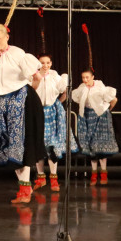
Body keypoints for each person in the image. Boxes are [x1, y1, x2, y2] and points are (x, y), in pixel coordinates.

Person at [0, 23, 44, 204]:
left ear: (7, 36)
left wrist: (30, 96)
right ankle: (24, 187)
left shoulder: (18, 53)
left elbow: (36, 77)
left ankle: (25, 189)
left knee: (20, 144)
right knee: (5, 143)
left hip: (20, 100)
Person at [72, 69, 119, 184]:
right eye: (83, 77)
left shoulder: (100, 87)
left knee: (100, 145)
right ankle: (93, 174)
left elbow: (113, 99)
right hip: (87, 117)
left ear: (92, 77)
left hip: (100, 116)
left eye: (87, 77)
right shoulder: (81, 88)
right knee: (91, 146)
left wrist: (107, 109)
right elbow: (78, 100)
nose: (85, 80)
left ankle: (103, 174)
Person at [33, 54, 70, 192]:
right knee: (39, 145)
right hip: (38, 113)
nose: (45, 65)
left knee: (52, 146)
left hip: (52, 113)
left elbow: (65, 92)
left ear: (51, 63)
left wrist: (57, 104)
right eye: (42, 62)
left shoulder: (55, 76)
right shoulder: (34, 76)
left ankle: (53, 179)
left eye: (48, 62)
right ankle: (41, 177)